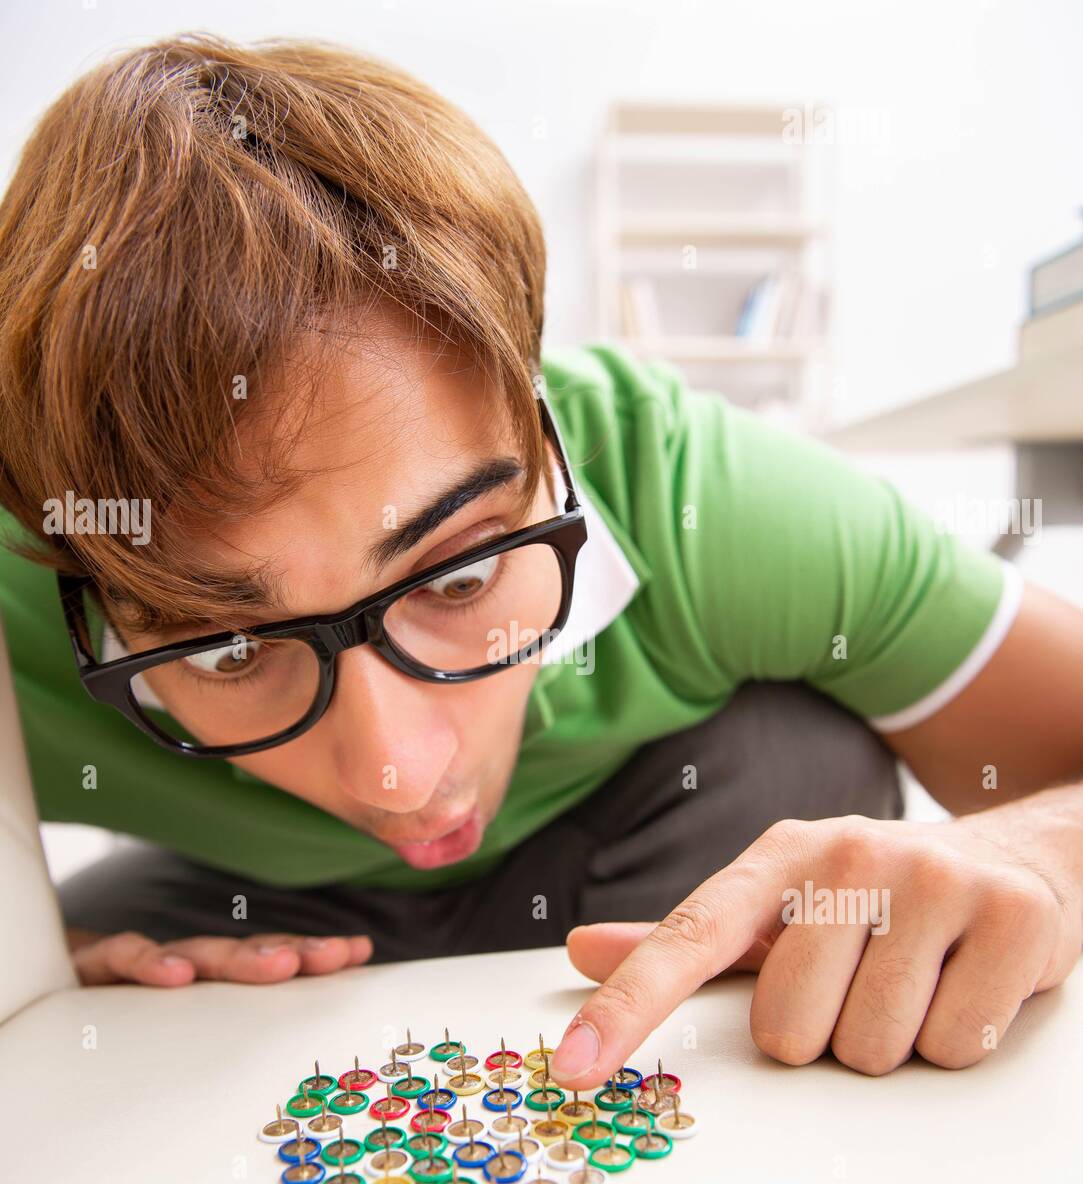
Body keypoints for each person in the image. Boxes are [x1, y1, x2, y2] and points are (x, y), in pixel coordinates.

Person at [0, 35, 1080, 1093]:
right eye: (229, 650)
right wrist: (39, 962)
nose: (406, 775)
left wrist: (1038, 848)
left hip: (634, 856)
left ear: (544, 433)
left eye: (460, 577)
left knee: (802, 751)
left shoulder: (698, 494)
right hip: (256, 917)